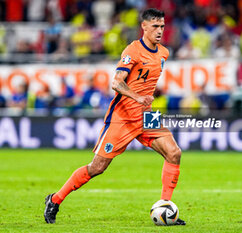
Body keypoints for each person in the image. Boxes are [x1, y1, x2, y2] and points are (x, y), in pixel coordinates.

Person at [44, 8, 186, 226]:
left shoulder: (163, 53)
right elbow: (116, 83)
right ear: (144, 26)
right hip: (123, 117)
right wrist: (137, 97)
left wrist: (149, 96)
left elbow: (146, 81)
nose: (160, 31)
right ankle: (54, 200)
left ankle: (165, 206)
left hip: (146, 116)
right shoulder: (133, 50)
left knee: (174, 153)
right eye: (155, 26)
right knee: (97, 167)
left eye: (162, 27)